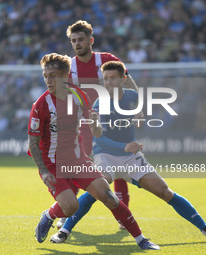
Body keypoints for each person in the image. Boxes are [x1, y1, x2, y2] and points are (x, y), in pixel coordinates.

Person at [50, 61, 206, 243]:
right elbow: (100, 138)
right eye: (105, 79)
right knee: (97, 191)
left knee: (166, 193)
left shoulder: (132, 96)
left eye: (113, 78)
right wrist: (123, 146)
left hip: (131, 157)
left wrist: (139, 113)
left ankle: (203, 227)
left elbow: (138, 106)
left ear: (123, 79)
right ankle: (64, 231)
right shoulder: (101, 103)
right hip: (106, 155)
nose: (108, 83)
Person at [29, 53, 159, 250]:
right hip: (53, 165)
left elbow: (96, 131)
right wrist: (44, 171)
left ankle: (142, 240)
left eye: (53, 75)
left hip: (78, 159)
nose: (48, 80)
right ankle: (48, 216)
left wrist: (96, 124)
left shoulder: (79, 96)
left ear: (65, 76)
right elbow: (33, 141)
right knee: (71, 207)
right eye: (46, 76)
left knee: (109, 197)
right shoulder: (41, 105)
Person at [57, 19, 137, 229]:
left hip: (110, 123)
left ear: (90, 40)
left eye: (81, 39)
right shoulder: (69, 66)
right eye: (73, 40)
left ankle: (122, 215)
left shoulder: (106, 60)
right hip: (82, 126)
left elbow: (128, 81)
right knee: (75, 168)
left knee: (118, 167)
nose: (77, 43)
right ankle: (68, 212)